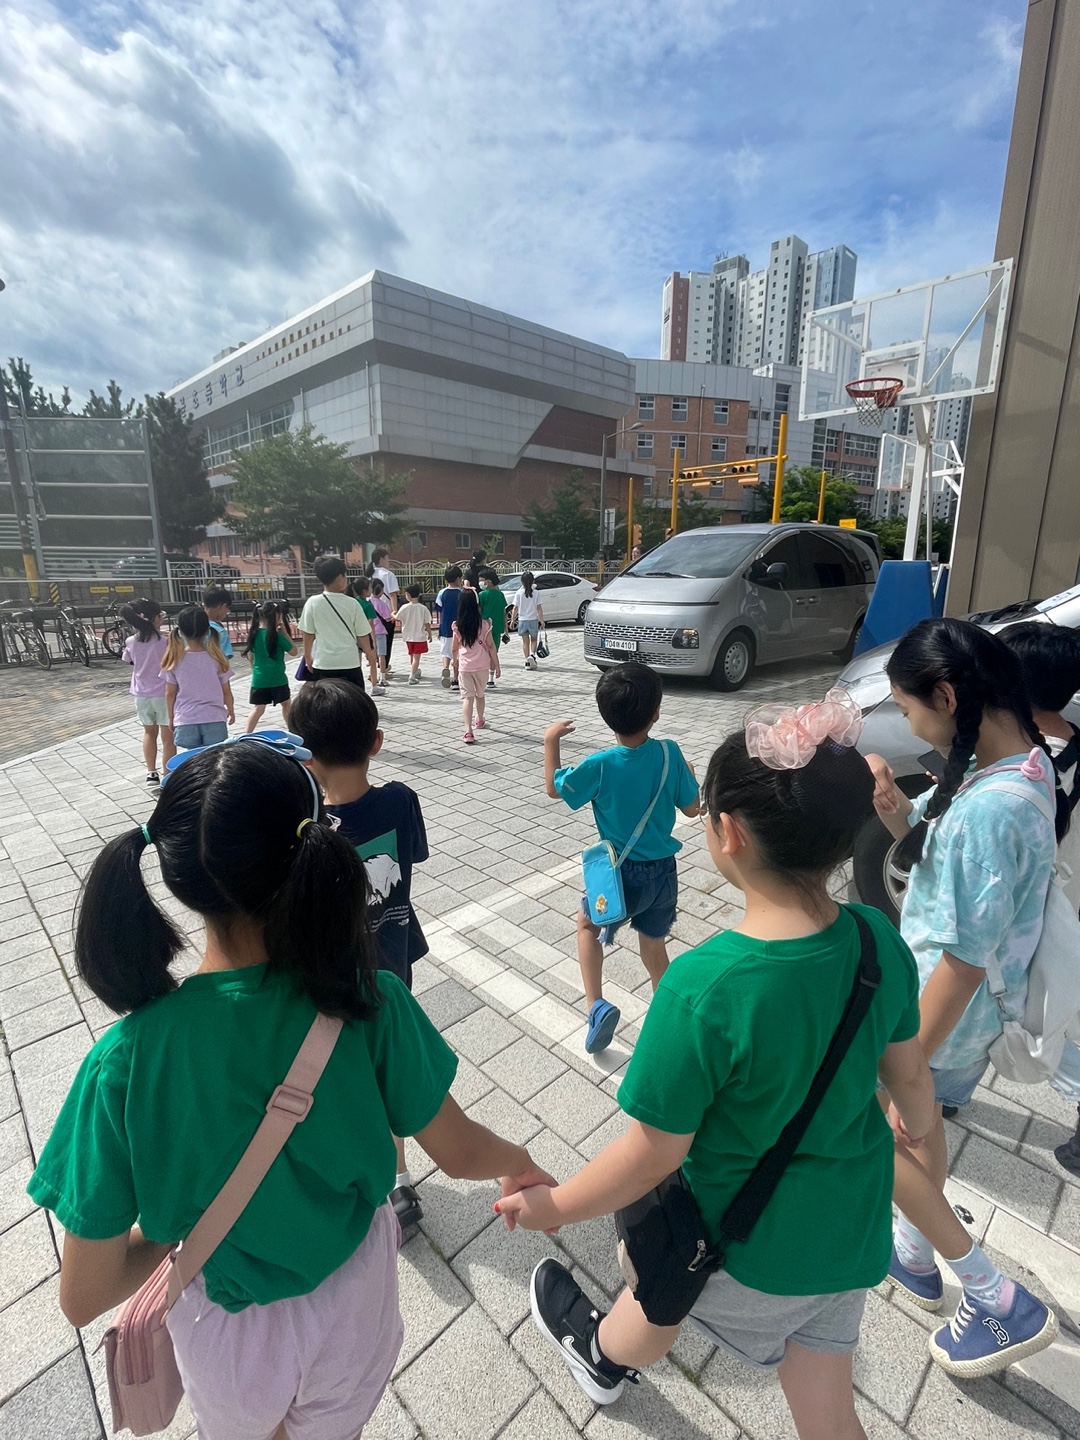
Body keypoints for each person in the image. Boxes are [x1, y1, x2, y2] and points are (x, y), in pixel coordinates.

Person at [27, 738, 555, 1440]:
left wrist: (179, 1223)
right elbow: (458, 1153)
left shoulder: (123, 1064)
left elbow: (83, 1294)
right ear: (312, 851)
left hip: (229, 1334)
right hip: (356, 1301)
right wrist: (519, 1160)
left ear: (176, 880)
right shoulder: (372, 1002)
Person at [497, 699, 935, 1440]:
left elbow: (650, 1156)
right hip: (851, 1229)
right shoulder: (874, 938)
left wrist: (557, 1207)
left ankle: (600, 1356)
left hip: (749, 1245)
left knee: (661, 1288)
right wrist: (917, 1126)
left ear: (728, 833)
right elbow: (911, 1080)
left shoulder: (702, 988)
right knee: (830, 1413)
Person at [866, 618, 1061, 1375]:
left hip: (943, 1015)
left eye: (908, 708)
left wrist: (906, 1060)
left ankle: (993, 1297)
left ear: (947, 696)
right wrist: (895, 811)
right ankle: (913, 1252)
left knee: (884, 1131)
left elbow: (963, 960)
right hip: (957, 1018)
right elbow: (942, 852)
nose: (909, 723)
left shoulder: (992, 809)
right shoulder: (1018, 767)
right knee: (919, 1134)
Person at [291, 679, 432, 1227]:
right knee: (386, 1066)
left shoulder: (306, 828)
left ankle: (362, 1174)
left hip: (331, 977)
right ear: (376, 741)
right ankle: (399, 1179)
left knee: (348, 1074)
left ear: (303, 755)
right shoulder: (400, 800)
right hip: (392, 964)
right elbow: (413, 855)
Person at [544, 662, 699, 1053]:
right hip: (664, 876)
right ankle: (667, 1021)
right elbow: (693, 808)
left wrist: (550, 742)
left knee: (586, 925)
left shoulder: (600, 766)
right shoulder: (670, 753)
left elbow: (554, 788)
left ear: (606, 715)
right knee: (654, 948)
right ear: (656, 712)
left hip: (621, 876)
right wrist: (690, 774)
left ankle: (596, 1006)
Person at [1000, 621, 1080, 1173]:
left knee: (1025, 1011)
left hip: (1038, 912)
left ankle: (945, 1085)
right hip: (1070, 904)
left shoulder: (1028, 764)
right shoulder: (1072, 740)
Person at [161, 606, 235, 750]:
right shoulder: (218, 658)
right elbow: (226, 690)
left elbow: (170, 693)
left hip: (186, 718)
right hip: (214, 717)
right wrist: (230, 709)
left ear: (180, 631)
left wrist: (171, 717)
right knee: (214, 757)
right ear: (207, 630)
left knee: (193, 757)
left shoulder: (174, 660)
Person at [298, 555, 376, 689]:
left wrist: (308, 657)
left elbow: (308, 635)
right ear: (340, 577)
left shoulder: (312, 603)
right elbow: (362, 635)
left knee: (326, 701)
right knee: (353, 700)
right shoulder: (353, 604)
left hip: (323, 664)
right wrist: (369, 653)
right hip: (349, 663)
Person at [120, 597, 174, 785]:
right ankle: (168, 775)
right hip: (164, 694)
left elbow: (128, 660)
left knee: (149, 733)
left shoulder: (130, 641)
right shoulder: (166, 641)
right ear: (155, 618)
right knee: (168, 738)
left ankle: (151, 772)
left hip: (142, 695)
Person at [452, 588, 500, 744]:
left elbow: (454, 648)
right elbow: (491, 646)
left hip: (465, 666)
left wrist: (454, 661)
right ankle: (479, 719)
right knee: (480, 695)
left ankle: (468, 731)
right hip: (482, 666)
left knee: (467, 698)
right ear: (477, 605)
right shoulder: (484, 624)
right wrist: (497, 665)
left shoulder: (458, 626)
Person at [242, 600, 295, 733]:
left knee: (258, 709)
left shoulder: (254, 634)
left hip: (259, 679)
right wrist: (285, 634)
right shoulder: (278, 636)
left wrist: (255, 671)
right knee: (286, 704)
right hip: (278, 678)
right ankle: (292, 731)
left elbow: (251, 656)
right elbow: (294, 652)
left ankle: (246, 734)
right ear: (276, 616)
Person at [349, 577, 387, 695]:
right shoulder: (367, 605)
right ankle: (374, 686)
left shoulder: (352, 602)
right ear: (365, 591)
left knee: (357, 663)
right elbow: (371, 624)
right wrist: (374, 641)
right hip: (366, 636)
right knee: (372, 661)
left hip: (354, 636)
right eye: (370, 587)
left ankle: (356, 686)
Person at [369, 548, 400, 675]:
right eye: (387, 558)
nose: (388, 561)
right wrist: (395, 612)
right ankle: (384, 667)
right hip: (386, 613)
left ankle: (375, 666)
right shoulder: (388, 575)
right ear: (381, 559)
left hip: (370, 611)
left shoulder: (369, 574)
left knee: (373, 640)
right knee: (386, 641)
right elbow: (392, 595)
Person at [396, 583, 434, 684]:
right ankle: (412, 676)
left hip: (408, 636)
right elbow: (427, 623)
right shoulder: (423, 608)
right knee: (417, 658)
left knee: (412, 656)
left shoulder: (404, 607)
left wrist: (392, 614)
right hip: (419, 637)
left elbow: (397, 617)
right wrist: (430, 634)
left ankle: (414, 671)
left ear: (408, 595)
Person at [435, 565, 464, 691]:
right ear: (458, 578)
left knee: (446, 652)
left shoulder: (442, 593)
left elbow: (439, 609)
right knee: (457, 653)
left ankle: (445, 668)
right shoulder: (462, 593)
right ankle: (456, 680)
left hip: (445, 627)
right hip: (459, 628)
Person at [478, 568, 507, 689]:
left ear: (488, 581)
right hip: (496, 628)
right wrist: (506, 630)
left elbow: (479, 610)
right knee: (493, 652)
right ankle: (491, 679)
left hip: (483, 628)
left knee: (482, 653)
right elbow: (504, 613)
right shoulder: (500, 595)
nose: (480, 583)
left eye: (481, 580)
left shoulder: (482, 595)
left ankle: (482, 677)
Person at [510, 571, 544, 670]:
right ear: (533, 581)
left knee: (525, 642)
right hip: (533, 619)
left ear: (522, 582)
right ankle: (532, 655)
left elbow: (515, 608)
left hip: (522, 620)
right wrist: (541, 620)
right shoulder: (536, 593)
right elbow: (539, 608)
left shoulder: (519, 593)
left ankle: (527, 662)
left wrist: (512, 620)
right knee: (534, 639)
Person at [371, 579, 394, 687]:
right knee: (382, 656)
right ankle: (382, 678)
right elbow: (387, 618)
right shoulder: (382, 604)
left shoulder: (367, 603)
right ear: (381, 591)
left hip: (370, 632)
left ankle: (372, 675)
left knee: (372, 655)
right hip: (381, 632)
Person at [202, 586, 234, 660]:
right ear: (223, 606)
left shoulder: (191, 626)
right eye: (227, 608)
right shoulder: (220, 632)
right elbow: (223, 662)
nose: (227, 612)